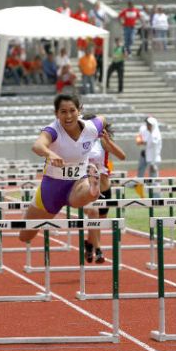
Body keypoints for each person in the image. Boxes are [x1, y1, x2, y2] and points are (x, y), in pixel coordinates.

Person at [18, 94, 105, 243]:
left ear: (79, 111)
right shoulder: (53, 130)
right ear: (56, 114)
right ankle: (90, 190)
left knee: (81, 197)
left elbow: (102, 119)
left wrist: (103, 132)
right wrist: (50, 153)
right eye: (63, 112)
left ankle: (93, 189)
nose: (68, 116)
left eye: (72, 110)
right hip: (51, 189)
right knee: (25, 236)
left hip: (77, 181)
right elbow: (37, 145)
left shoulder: (90, 128)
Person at [82, 114, 127, 264]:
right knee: (93, 214)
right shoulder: (78, 142)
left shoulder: (102, 142)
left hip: (104, 187)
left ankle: (89, 244)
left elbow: (122, 156)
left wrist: (108, 141)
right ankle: (99, 250)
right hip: (86, 188)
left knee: (98, 222)